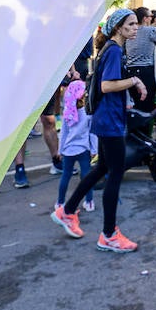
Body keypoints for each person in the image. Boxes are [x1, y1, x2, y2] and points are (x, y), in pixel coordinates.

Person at [52, 8, 147, 251]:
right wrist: (134, 81)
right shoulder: (114, 50)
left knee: (102, 168)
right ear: (118, 27)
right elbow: (106, 85)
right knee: (114, 173)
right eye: (132, 24)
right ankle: (108, 234)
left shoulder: (112, 49)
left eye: (137, 23)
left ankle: (68, 210)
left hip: (107, 119)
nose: (136, 27)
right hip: (110, 122)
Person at [55, 76, 97, 215]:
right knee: (86, 176)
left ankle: (60, 202)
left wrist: (60, 150)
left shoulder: (67, 113)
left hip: (68, 150)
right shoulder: (88, 113)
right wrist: (94, 149)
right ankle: (89, 202)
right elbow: (92, 133)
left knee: (65, 176)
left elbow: (63, 134)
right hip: (84, 149)